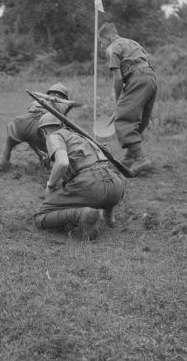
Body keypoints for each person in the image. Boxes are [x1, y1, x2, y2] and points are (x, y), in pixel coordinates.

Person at [34, 113, 126, 240]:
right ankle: (109, 218)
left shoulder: (54, 136)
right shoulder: (82, 137)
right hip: (116, 184)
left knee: (41, 216)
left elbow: (62, 163)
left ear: (43, 131)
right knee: (97, 183)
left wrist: (50, 185)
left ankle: (83, 214)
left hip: (91, 186)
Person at [98, 22, 157, 175]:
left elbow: (117, 79)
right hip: (151, 79)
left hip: (137, 79)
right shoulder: (132, 42)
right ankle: (129, 159)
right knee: (140, 121)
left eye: (101, 41)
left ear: (108, 36)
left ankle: (141, 160)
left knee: (123, 119)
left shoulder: (112, 48)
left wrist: (119, 102)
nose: (101, 46)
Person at [0, 82, 73, 171]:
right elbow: (69, 106)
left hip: (21, 123)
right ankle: (63, 170)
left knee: (12, 140)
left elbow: (30, 132)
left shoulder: (36, 101)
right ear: (64, 97)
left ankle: (5, 160)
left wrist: (38, 152)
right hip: (41, 126)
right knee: (58, 147)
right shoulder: (63, 105)